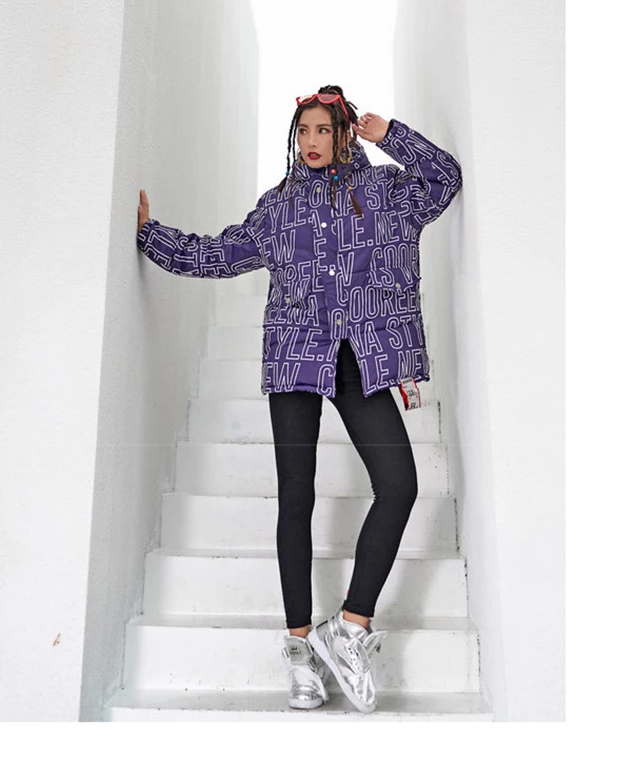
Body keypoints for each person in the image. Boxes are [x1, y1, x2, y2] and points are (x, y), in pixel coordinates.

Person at [136, 84, 462, 713]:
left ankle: (352, 627)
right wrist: (152, 236)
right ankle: (299, 649)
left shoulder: (386, 193)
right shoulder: (279, 207)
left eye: (323, 130)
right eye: (303, 130)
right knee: (296, 498)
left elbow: (444, 178)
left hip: (360, 362)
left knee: (399, 485)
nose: (312, 141)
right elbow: (218, 254)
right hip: (294, 360)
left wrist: (390, 135)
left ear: (343, 134)